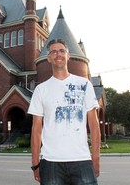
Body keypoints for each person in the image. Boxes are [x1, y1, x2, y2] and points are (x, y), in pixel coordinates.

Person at [28, 39, 101, 185]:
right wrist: (35, 163)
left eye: (61, 51)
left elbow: (94, 124)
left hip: (82, 160)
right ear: (49, 58)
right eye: (53, 52)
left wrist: (96, 157)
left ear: (68, 55)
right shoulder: (41, 90)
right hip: (51, 163)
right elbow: (36, 129)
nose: (58, 54)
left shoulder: (84, 84)